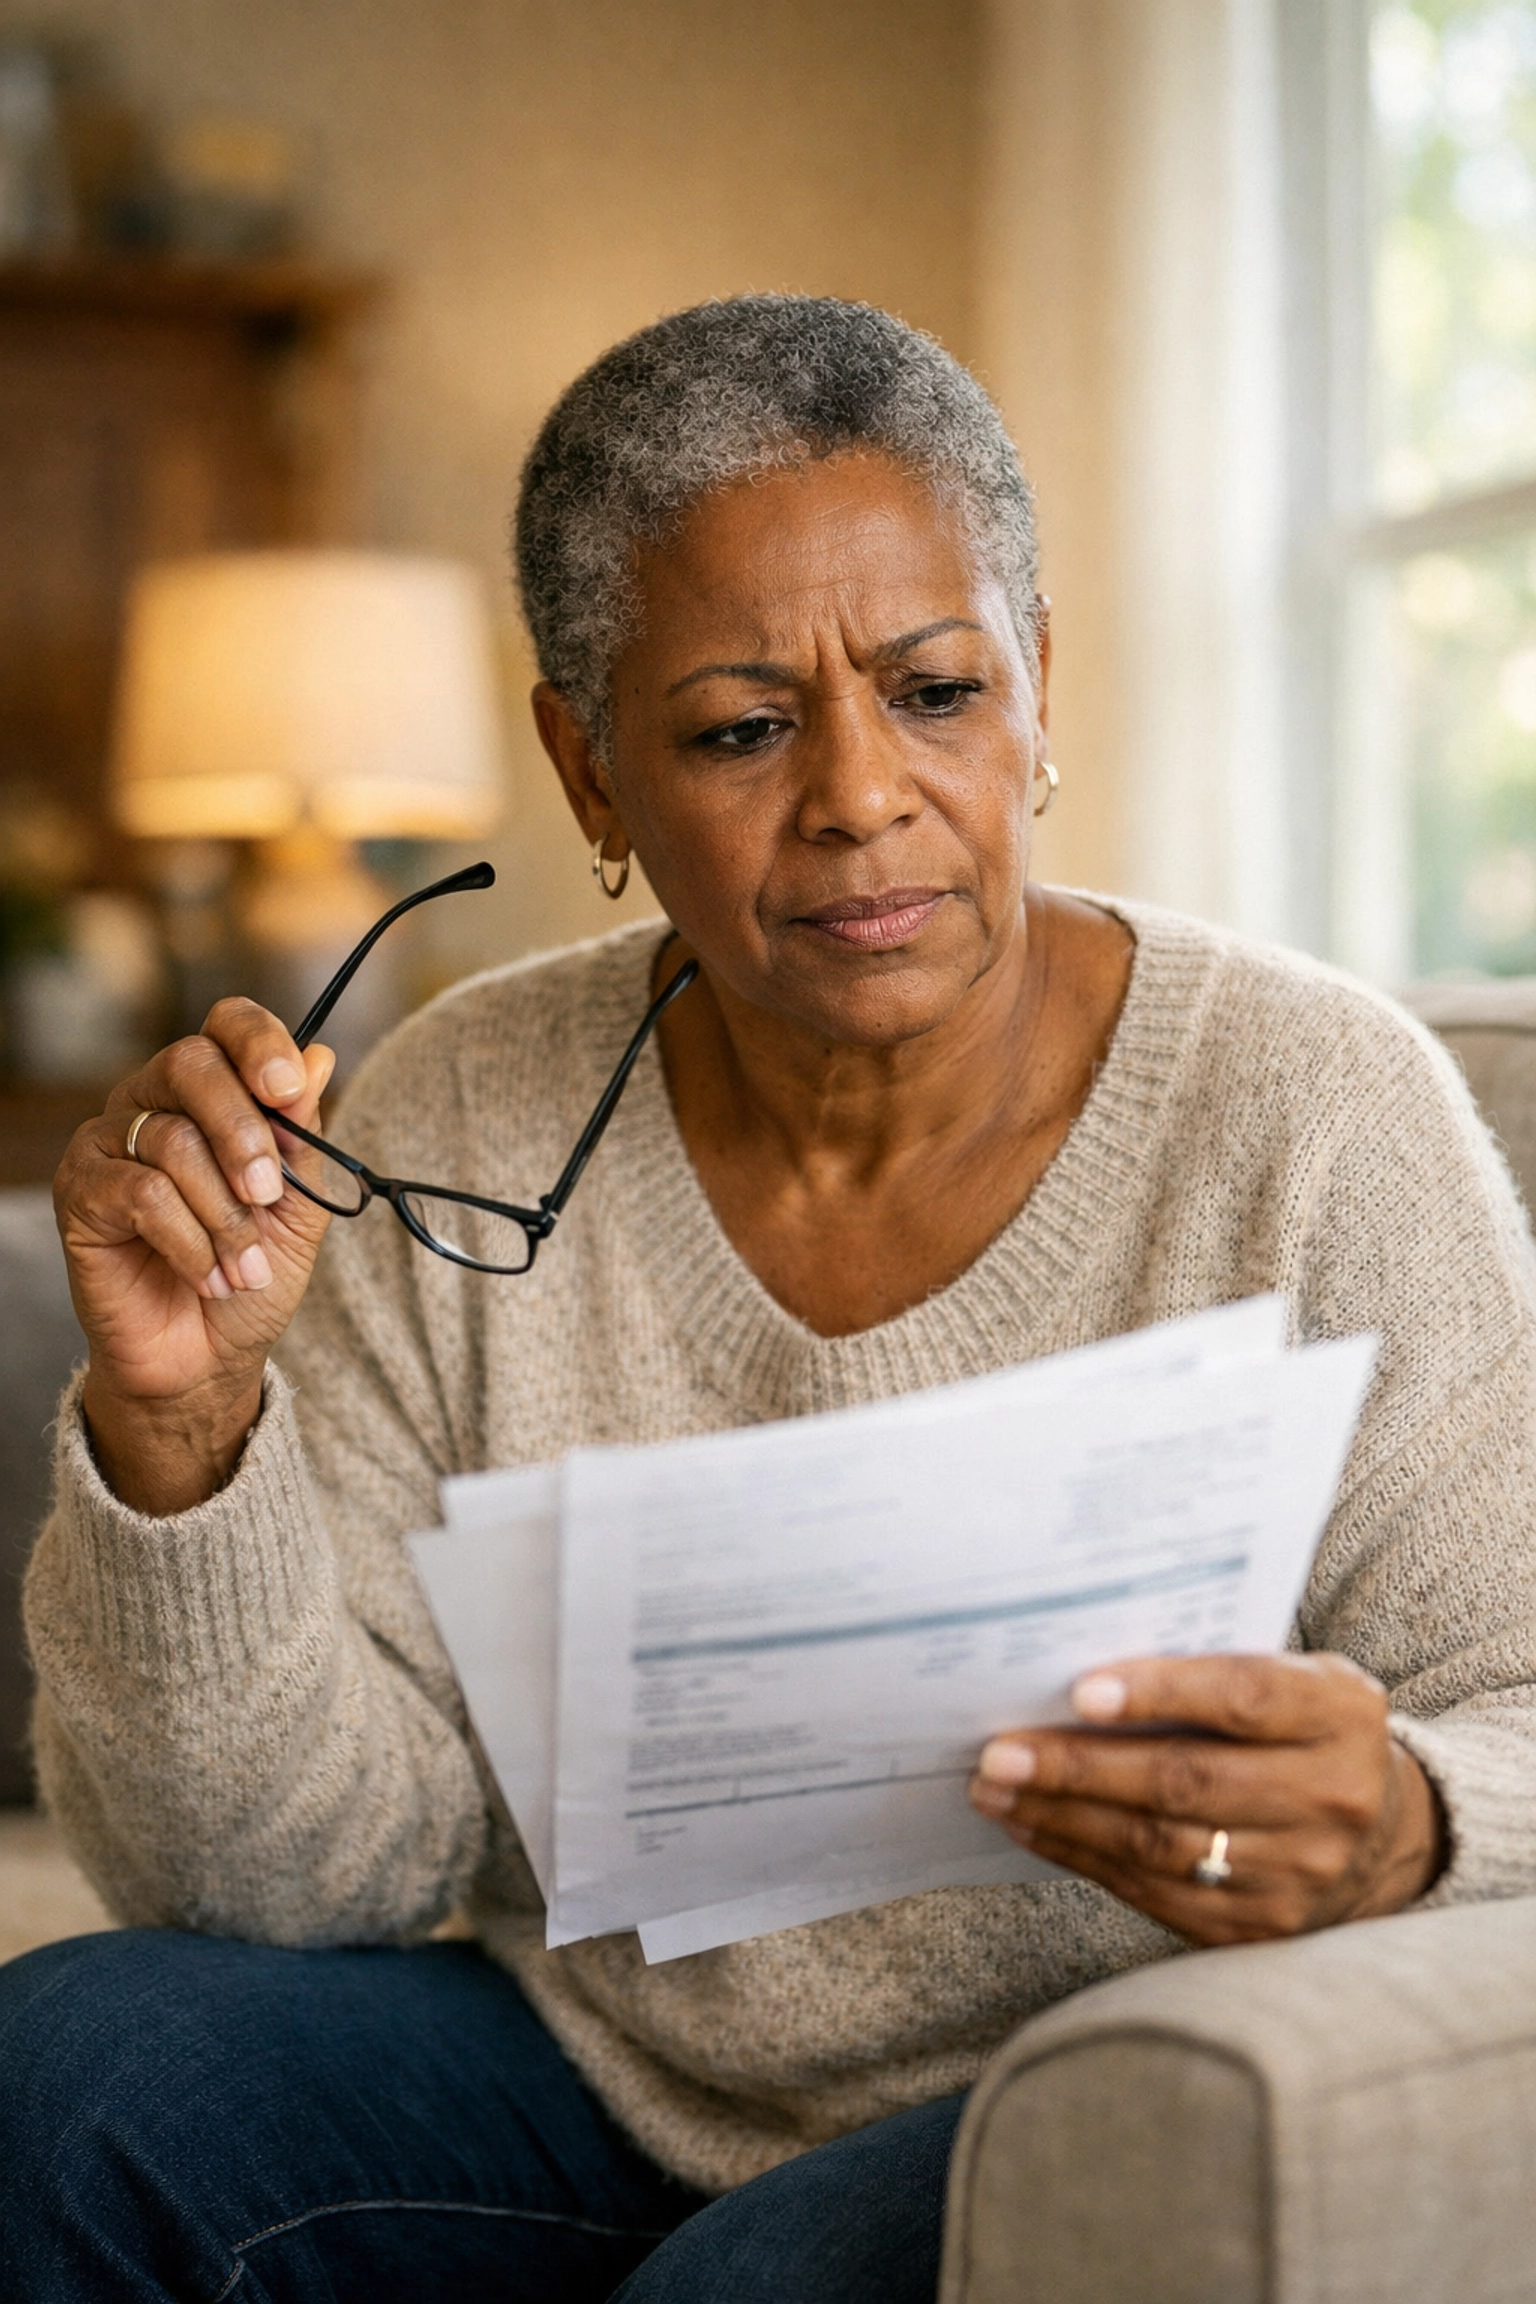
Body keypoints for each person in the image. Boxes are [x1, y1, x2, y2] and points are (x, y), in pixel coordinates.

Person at [5, 294, 1536, 2303]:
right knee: (66, 2070)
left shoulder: (1317, 1108)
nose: (858, 798)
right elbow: (288, 1877)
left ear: (1042, 688)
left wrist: (1409, 1822)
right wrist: (185, 1436)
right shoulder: (465, 1100)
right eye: (737, 729)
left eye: (933, 690)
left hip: (1095, 2081)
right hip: (598, 2066)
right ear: (589, 773)